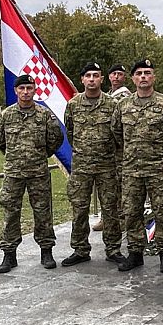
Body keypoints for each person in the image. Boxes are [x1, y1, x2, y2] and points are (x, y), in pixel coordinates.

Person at [111, 59, 163, 272]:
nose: (143, 76)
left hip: (158, 169)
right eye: (139, 73)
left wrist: (161, 150)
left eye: (147, 72)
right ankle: (135, 253)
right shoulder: (123, 105)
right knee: (132, 212)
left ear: (154, 77)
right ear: (133, 78)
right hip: (131, 170)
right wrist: (132, 151)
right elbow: (116, 133)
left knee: (162, 212)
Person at [0, 73, 64, 273]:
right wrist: (15, 157)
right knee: (10, 213)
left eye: (29, 88)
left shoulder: (44, 115)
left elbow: (56, 139)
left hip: (38, 172)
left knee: (43, 212)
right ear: (16, 91)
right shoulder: (7, 115)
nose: (25, 92)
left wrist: (41, 154)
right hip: (13, 174)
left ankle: (46, 251)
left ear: (34, 90)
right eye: (22, 88)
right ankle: (9, 254)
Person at [62, 62, 125, 268]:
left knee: (110, 209)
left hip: (107, 166)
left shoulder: (112, 104)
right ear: (82, 80)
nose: (91, 79)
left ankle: (113, 249)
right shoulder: (73, 104)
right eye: (88, 75)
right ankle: (80, 249)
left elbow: (118, 133)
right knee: (79, 209)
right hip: (81, 167)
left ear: (101, 79)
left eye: (95, 75)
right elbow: (70, 133)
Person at [94, 64, 131, 232]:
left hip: (120, 149)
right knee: (107, 186)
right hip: (106, 149)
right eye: (113, 74)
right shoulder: (107, 94)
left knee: (120, 185)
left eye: (120, 74)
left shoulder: (125, 96)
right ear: (108, 77)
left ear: (125, 77)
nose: (116, 76)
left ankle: (121, 218)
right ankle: (107, 217)